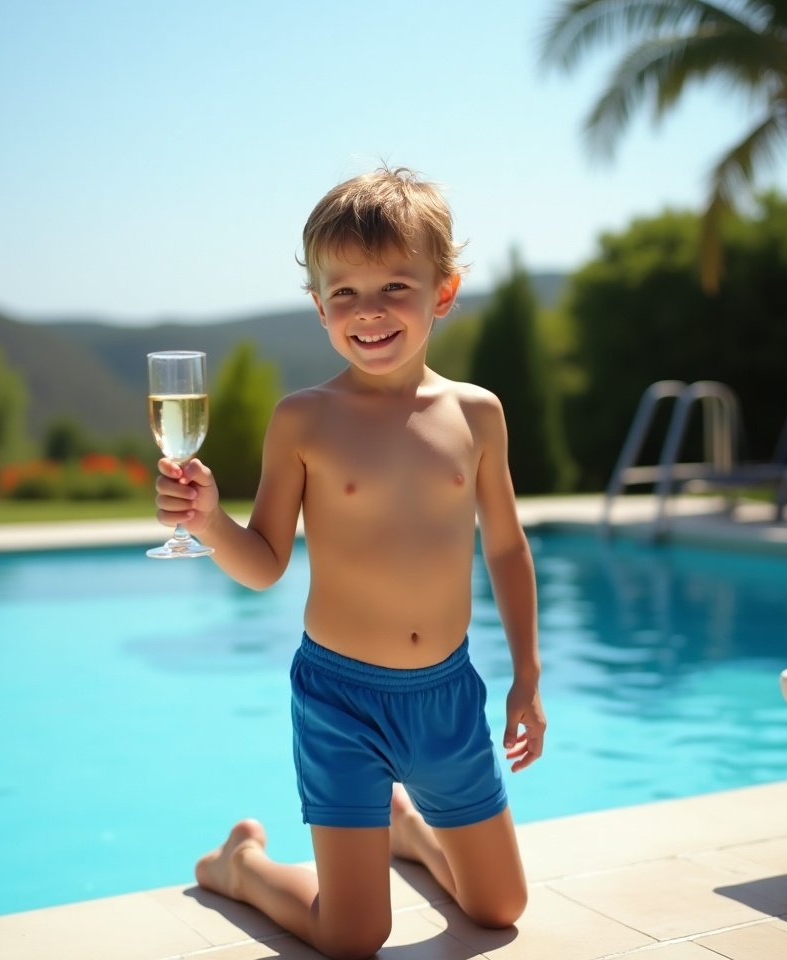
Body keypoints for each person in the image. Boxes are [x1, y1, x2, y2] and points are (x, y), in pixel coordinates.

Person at [154, 165, 546, 960]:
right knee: (354, 936)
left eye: (395, 286)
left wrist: (528, 678)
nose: (369, 312)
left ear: (443, 290)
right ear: (319, 307)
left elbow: (505, 546)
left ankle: (406, 830)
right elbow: (264, 563)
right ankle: (247, 866)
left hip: (447, 697)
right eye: (345, 294)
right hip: (342, 700)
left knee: (500, 908)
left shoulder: (477, 414)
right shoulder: (304, 419)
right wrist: (211, 519)